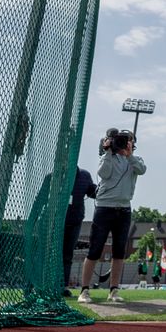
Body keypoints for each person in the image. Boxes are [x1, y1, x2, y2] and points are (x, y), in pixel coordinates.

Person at [78, 128, 145, 304]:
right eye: (122, 140)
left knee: (119, 252)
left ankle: (114, 290)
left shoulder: (135, 160)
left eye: (129, 140)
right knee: (95, 250)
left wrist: (129, 155)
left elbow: (142, 170)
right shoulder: (107, 157)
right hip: (104, 208)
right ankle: (84, 290)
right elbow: (103, 173)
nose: (125, 143)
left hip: (124, 209)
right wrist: (108, 152)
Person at [61, 166, 96, 294]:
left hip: (75, 221)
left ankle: (63, 286)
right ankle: (48, 285)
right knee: (54, 254)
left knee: (68, 254)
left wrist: (103, 187)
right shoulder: (54, 176)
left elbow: (93, 192)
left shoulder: (84, 175)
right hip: (56, 222)